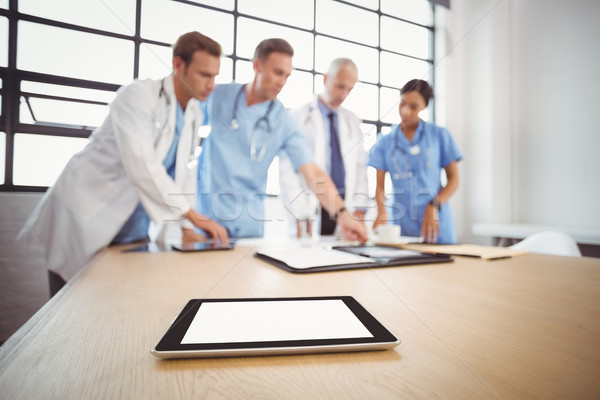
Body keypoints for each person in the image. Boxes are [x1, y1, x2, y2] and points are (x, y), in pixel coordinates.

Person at [18, 32, 228, 295]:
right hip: (88, 214)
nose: (212, 85)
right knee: (69, 310)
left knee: (123, 309)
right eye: (204, 75)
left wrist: (187, 228)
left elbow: (184, 175)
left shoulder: (194, 113)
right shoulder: (138, 95)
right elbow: (141, 163)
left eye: (215, 76)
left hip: (132, 228)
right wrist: (195, 217)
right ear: (178, 65)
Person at [196, 38, 367, 242]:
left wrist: (343, 215)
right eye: (277, 73)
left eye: (287, 76)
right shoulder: (218, 96)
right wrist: (188, 219)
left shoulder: (284, 121)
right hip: (203, 222)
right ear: (257, 65)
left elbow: (312, 172)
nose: (282, 82)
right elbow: (185, 134)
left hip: (249, 225)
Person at [279, 58, 368, 237]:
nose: (343, 94)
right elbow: (288, 170)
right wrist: (299, 213)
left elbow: (360, 168)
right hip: (309, 209)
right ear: (325, 79)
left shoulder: (352, 121)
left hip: (344, 207)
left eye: (349, 89)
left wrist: (360, 207)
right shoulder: (299, 118)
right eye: (340, 86)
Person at [368, 79, 462, 243]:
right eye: (402, 104)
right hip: (401, 225)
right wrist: (381, 211)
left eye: (414, 107)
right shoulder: (384, 142)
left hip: (436, 223)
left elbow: (454, 179)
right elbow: (380, 186)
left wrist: (434, 205)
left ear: (424, 106)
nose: (405, 111)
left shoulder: (439, 135)